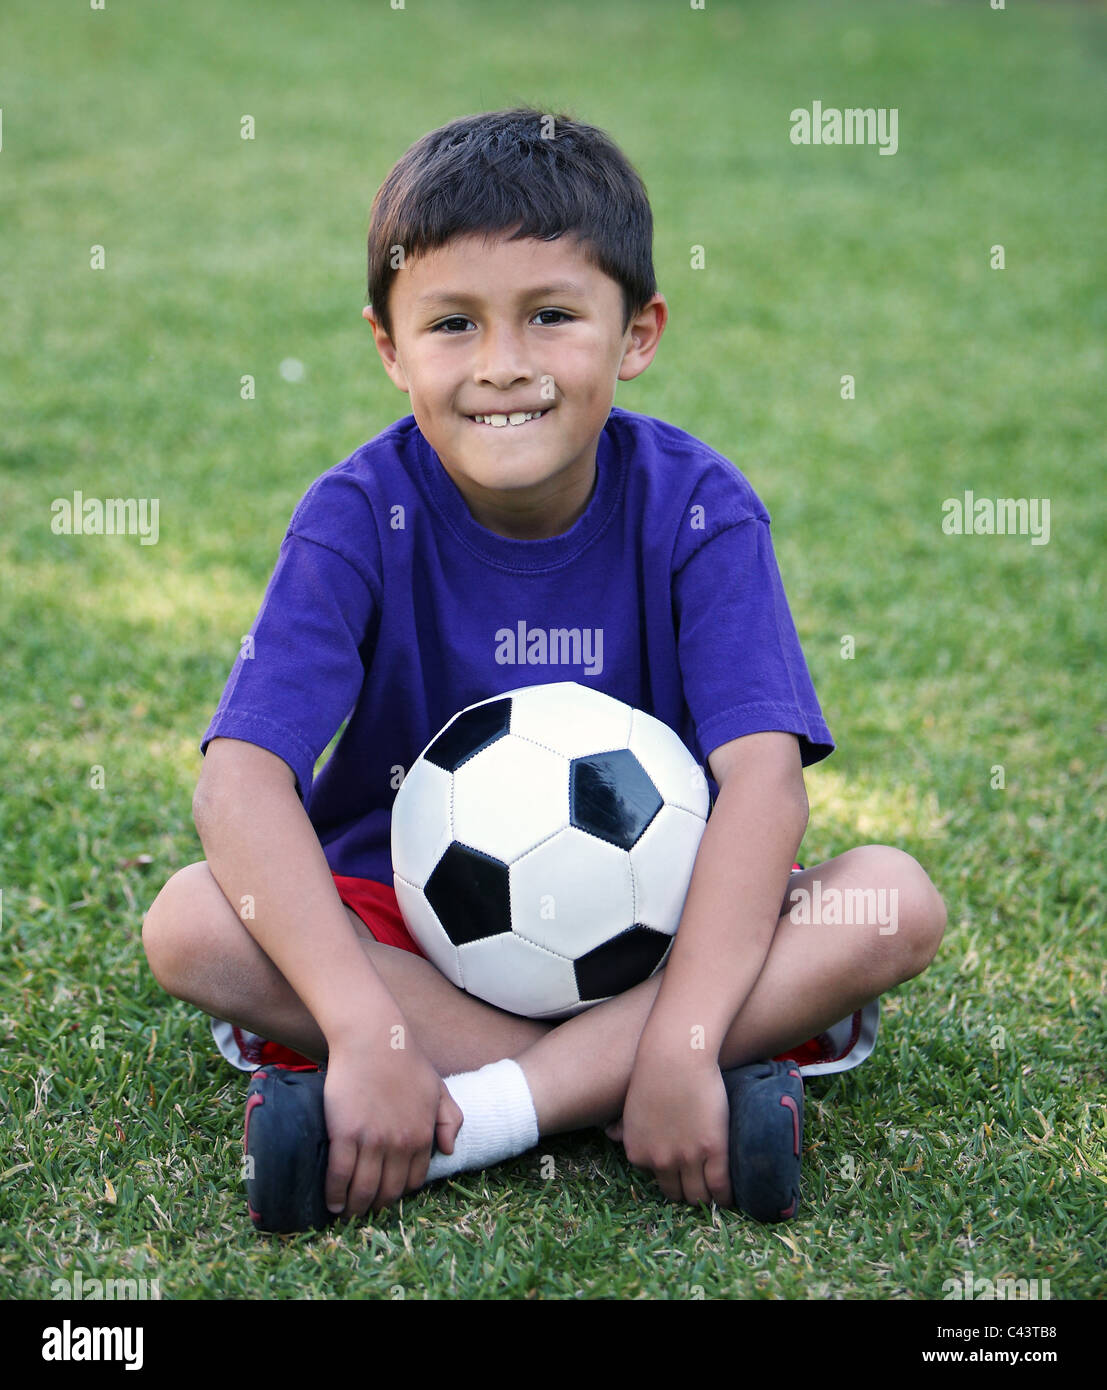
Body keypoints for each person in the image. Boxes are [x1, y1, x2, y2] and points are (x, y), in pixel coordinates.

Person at [141, 107, 946, 1232]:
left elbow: (761, 783)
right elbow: (238, 782)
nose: (503, 366)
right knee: (190, 920)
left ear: (636, 334)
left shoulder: (699, 508)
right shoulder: (353, 516)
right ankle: (611, 1092)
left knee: (890, 900)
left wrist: (681, 1022)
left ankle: (485, 1111)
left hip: (669, 938)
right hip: (408, 940)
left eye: (552, 315)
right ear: (387, 345)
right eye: (453, 324)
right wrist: (365, 1024)